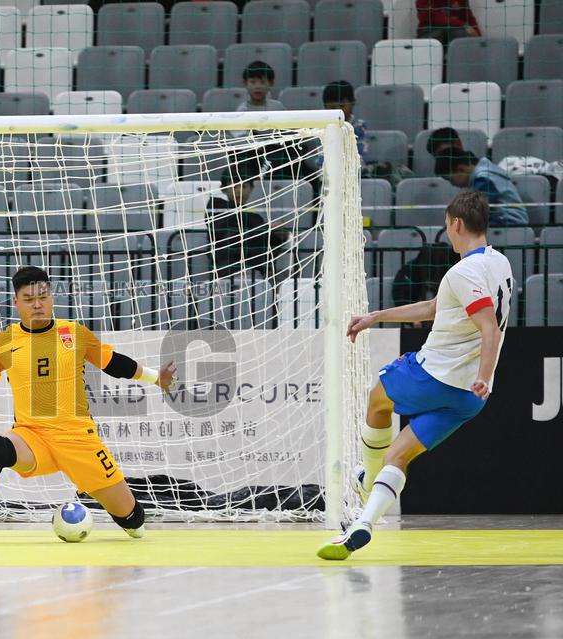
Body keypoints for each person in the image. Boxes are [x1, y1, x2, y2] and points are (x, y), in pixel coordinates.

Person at [317, 191, 511, 560]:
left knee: (378, 397)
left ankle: (364, 484)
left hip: (437, 375)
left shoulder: (463, 271)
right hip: (469, 400)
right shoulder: (498, 264)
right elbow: (435, 307)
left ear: (456, 224)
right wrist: (376, 316)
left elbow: (489, 328)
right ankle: (364, 524)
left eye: (446, 226)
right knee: (398, 456)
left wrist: (483, 373)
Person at [0, 266, 177, 545]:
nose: (37, 304)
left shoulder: (73, 334)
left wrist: (156, 377)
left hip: (78, 441)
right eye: (28, 298)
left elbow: (114, 363)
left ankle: (122, 512)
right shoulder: (6, 341)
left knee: (133, 520)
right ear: (16, 302)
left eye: (43, 296)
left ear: (51, 298)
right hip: (33, 437)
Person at [205, 156, 283, 280]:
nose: (239, 191)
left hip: (253, 274)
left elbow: (266, 245)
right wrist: (263, 229)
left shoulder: (255, 218)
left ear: (251, 189)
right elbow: (226, 234)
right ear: (224, 189)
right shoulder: (215, 206)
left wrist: (278, 236)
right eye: (234, 186)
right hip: (224, 272)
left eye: (244, 186)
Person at [434, 147, 529, 226]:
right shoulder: (486, 169)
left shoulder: (483, 178)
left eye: (451, 180)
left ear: (460, 169)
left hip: (510, 223)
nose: (452, 184)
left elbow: (479, 209)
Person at [416, 0, 480, 46]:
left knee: (461, 35)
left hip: (454, 28)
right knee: (435, 37)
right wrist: (463, 24)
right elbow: (432, 17)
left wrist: (478, 37)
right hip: (430, 28)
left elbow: (467, 15)